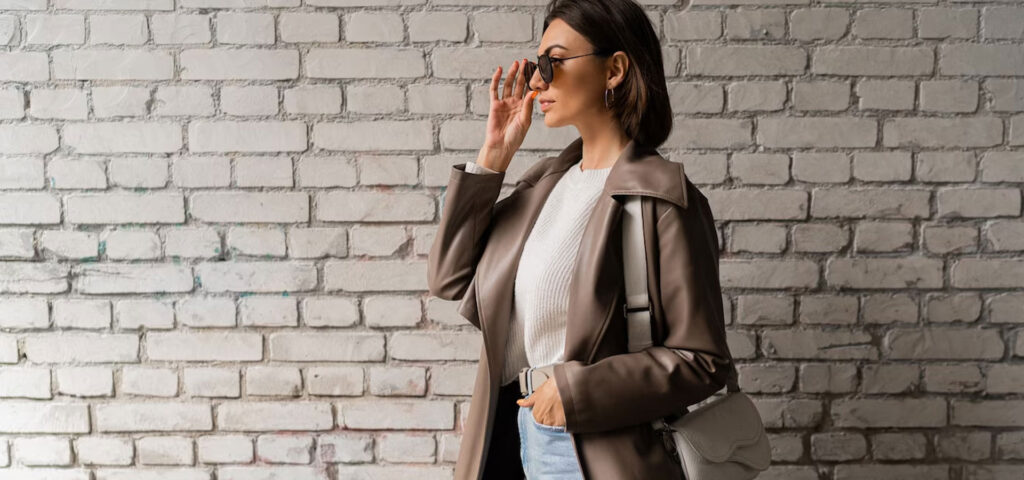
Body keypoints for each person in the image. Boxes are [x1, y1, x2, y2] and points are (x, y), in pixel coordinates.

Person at [427, 0, 735, 478]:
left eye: (554, 61)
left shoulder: (660, 200)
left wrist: (575, 392)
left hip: (591, 449)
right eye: (537, 64)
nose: (536, 81)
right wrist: (493, 158)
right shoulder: (543, 187)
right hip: (510, 432)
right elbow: (450, 278)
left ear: (614, 70)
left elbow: (702, 361)